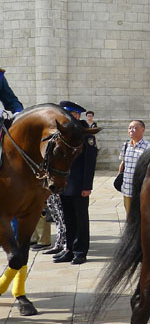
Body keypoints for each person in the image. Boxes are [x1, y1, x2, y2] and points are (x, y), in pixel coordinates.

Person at [55, 101, 98, 265]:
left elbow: (90, 161)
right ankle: (69, 250)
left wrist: (87, 186)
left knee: (80, 219)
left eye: (66, 114)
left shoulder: (86, 133)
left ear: (75, 115)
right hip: (64, 184)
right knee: (67, 219)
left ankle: (80, 251)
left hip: (79, 185)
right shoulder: (62, 133)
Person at [118, 120, 150, 215]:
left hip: (140, 190)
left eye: (135, 128)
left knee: (141, 216)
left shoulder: (148, 147)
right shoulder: (126, 145)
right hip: (126, 188)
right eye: (129, 128)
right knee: (129, 216)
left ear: (143, 130)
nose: (131, 130)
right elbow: (122, 164)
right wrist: (119, 177)